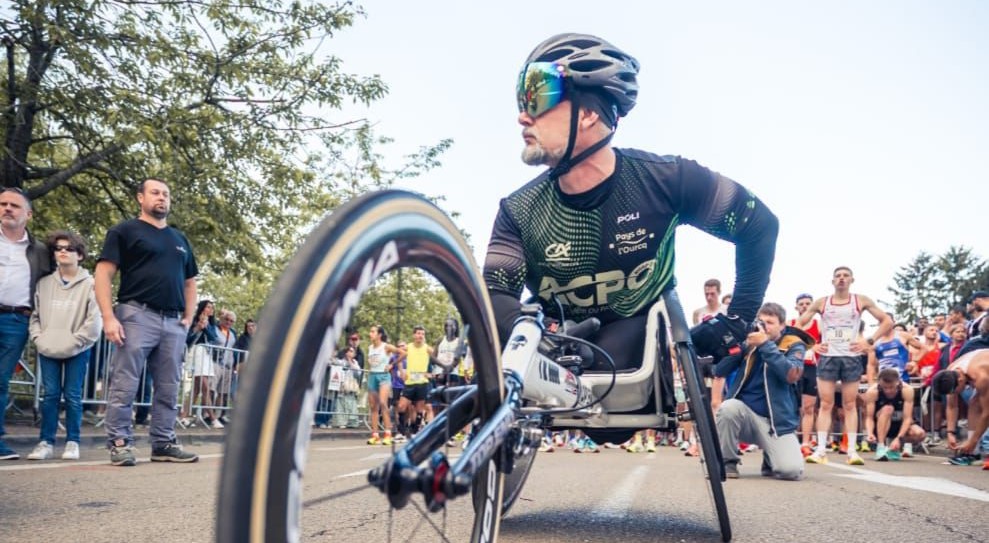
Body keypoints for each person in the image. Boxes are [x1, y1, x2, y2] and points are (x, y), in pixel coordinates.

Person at [483, 34, 779, 450]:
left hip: (634, 334)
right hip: (557, 338)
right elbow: (495, 294)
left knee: (616, 368)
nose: (521, 116)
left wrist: (736, 319)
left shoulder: (667, 179)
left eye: (536, 97)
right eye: (520, 99)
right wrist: (537, 336)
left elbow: (759, 225)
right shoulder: (518, 209)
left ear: (587, 114)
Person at [94, 178, 200, 466]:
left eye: (166, 194)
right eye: (155, 193)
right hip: (136, 314)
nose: (161, 198)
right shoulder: (124, 231)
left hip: (173, 322)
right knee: (124, 382)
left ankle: (163, 443)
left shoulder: (180, 240)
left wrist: (188, 318)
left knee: (169, 386)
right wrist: (108, 317)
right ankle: (119, 443)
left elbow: (190, 283)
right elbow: (103, 274)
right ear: (140, 198)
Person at [797, 266, 893, 465]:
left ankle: (851, 451)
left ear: (852, 280)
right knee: (825, 404)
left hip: (851, 356)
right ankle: (821, 450)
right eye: (838, 276)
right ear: (832, 281)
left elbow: (886, 321)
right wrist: (812, 345)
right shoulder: (822, 302)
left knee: (849, 405)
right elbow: (799, 324)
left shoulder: (861, 300)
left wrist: (869, 341)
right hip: (828, 356)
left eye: (845, 276)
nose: (841, 279)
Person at [26, 231, 102, 461]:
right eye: (58, 248)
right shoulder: (44, 283)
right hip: (48, 347)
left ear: (79, 254)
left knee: (72, 395)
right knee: (50, 395)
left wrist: (76, 341)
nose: (62, 251)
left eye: (69, 248)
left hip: (78, 349)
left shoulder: (91, 284)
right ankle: (46, 442)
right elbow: (35, 316)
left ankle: (72, 442)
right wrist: (39, 338)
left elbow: (94, 319)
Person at [714, 302, 808, 480]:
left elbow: (791, 374)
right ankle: (728, 462)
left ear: (782, 325)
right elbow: (719, 370)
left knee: (791, 471)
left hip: (777, 423)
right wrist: (732, 345)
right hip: (747, 417)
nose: (763, 325)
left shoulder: (794, 345)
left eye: (770, 322)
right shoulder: (748, 344)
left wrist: (765, 345)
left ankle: (770, 458)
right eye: (761, 321)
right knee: (728, 408)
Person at [0, 188, 53, 460]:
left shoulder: (39, 251)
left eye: (15, 206)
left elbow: (52, 285)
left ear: (28, 214)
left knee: (0, 379)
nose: (8, 209)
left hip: (16, 319)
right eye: (3, 204)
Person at [933, 341, 989, 469]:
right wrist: (950, 433)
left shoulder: (981, 377)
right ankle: (972, 453)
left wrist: (973, 441)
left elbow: (987, 413)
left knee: (982, 404)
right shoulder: (950, 372)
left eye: (955, 391)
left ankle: (975, 447)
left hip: (984, 367)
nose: (957, 394)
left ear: (960, 380)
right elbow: (952, 406)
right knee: (974, 402)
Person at [863, 368, 925, 461]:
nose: (888, 391)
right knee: (888, 409)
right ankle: (881, 447)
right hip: (880, 424)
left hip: (899, 425)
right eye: (885, 387)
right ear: (879, 383)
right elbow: (869, 417)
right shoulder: (873, 391)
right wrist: (870, 433)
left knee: (919, 434)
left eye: (891, 387)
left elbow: (907, 418)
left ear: (898, 382)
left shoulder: (907, 390)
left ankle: (892, 448)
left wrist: (899, 439)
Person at [789, 293, 822, 456]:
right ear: (796, 306)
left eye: (808, 303)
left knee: (809, 407)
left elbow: (828, 343)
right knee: (792, 406)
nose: (804, 306)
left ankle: (806, 443)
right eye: (801, 304)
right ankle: (790, 440)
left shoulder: (819, 324)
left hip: (811, 368)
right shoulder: (791, 324)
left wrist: (818, 348)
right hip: (794, 367)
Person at [184, 299, 221, 428]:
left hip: (206, 354)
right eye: (208, 307)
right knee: (205, 387)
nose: (211, 309)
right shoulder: (194, 321)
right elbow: (188, 340)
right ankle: (213, 418)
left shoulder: (211, 324)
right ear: (202, 308)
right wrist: (197, 328)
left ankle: (183, 415)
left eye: (212, 307)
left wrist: (205, 327)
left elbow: (213, 338)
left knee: (196, 389)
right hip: (197, 352)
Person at [365, 324, 403, 446]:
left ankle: (388, 434)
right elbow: (372, 363)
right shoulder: (370, 347)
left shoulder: (386, 346)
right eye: (370, 331)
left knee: (382, 403)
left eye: (372, 332)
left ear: (379, 335)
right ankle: (375, 435)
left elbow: (403, 353)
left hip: (384, 376)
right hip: (372, 376)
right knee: (373, 406)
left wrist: (392, 365)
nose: (370, 334)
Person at [397, 326, 433, 442]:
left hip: (422, 383)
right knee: (401, 406)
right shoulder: (408, 347)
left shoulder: (428, 349)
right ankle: (401, 432)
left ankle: (415, 432)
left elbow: (438, 359)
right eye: (418, 333)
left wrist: (432, 373)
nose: (420, 336)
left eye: (422, 334)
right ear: (414, 335)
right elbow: (399, 358)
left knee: (419, 410)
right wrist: (401, 371)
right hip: (410, 383)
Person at [211, 309, 237, 423]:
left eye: (231, 321)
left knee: (223, 392)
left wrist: (234, 365)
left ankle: (217, 415)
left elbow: (234, 350)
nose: (228, 322)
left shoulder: (233, 333)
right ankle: (208, 414)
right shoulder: (215, 329)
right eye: (226, 319)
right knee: (211, 389)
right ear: (222, 319)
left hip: (228, 365)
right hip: (215, 362)